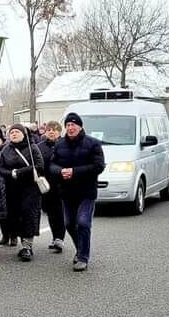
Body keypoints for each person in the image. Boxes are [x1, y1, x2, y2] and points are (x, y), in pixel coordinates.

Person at [49, 113, 105, 272]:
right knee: (69, 224)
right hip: (67, 192)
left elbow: (99, 166)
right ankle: (80, 248)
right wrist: (61, 172)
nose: (70, 128)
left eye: (73, 125)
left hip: (86, 191)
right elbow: (51, 165)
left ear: (80, 127)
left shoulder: (93, 144)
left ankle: (83, 257)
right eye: (67, 125)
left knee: (83, 223)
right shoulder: (59, 145)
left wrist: (75, 172)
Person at [0, 124, 45, 262]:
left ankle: (27, 247)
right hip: (12, 190)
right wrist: (11, 173)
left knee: (29, 216)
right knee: (15, 216)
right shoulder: (6, 150)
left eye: (17, 132)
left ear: (24, 134)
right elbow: (0, 167)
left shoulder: (32, 147)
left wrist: (20, 172)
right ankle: (21, 242)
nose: (14, 134)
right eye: (12, 132)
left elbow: (40, 166)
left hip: (30, 189)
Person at [36, 121, 67, 253]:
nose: (52, 132)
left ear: (60, 132)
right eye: (49, 129)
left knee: (60, 212)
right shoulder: (39, 147)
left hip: (62, 184)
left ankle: (60, 238)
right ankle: (55, 237)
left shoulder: (65, 145)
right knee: (51, 213)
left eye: (55, 130)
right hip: (46, 185)